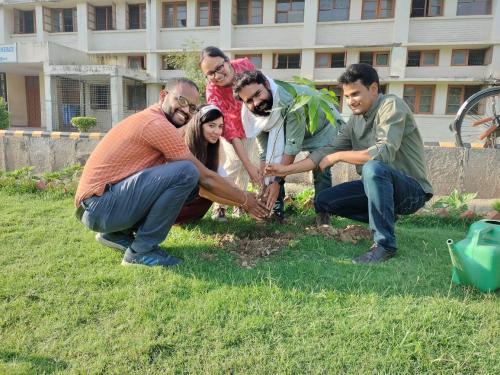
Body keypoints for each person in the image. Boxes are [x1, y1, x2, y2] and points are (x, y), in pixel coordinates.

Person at [75, 78, 267, 267]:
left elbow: (203, 185)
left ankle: (116, 234)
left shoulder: (159, 123)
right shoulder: (156, 124)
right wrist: (245, 200)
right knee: (187, 172)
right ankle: (142, 251)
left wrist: (242, 200)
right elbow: (205, 178)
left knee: (189, 179)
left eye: (192, 108)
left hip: (100, 207)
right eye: (181, 101)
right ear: (163, 96)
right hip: (99, 207)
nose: (186, 110)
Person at [265, 64, 433, 264]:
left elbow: (384, 151)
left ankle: (384, 244)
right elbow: (326, 151)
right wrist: (285, 170)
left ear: (373, 89)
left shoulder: (391, 105)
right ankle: (386, 216)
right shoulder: (355, 121)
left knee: (373, 167)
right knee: (323, 200)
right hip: (380, 188)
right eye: (346, 96)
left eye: (355, 94)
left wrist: (339, 156)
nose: (350, 101)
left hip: (411, 191)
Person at [233, 70, 344, 223]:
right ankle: (275, 212)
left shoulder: (290, 101)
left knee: (320, 166)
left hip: (321, 128)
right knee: (272, 167)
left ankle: (323, 212)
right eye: (249, 101)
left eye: (258, 94)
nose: (256, 103)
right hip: (291, 131)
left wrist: (277, 182)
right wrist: (264, 184)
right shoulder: (253, 116)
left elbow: (291, 147)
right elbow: (267, 153)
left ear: (266, 85)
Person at [200, 46, 261, 221]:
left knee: (244, 166)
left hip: (250, 125)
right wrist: (249, 165)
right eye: (210, 73)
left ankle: (240, 205)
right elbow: (227, 127)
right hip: (230, 130)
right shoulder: (213, 91)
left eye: (219, 68)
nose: (217, 76)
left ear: (227, 61)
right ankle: (220, 207)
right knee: (234, 164)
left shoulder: (245, 65)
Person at [175, 104, 228, 224]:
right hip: (169, 202)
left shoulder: (211, 146)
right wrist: (244, 202)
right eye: (211, 126)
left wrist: (246, 197)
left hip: (188, 202)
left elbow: (223, 179)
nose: (217, 131)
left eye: (220, 126)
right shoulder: (181, 144)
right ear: (198, 124)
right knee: (208, 188)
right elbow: (206, 190)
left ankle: (186, 219)